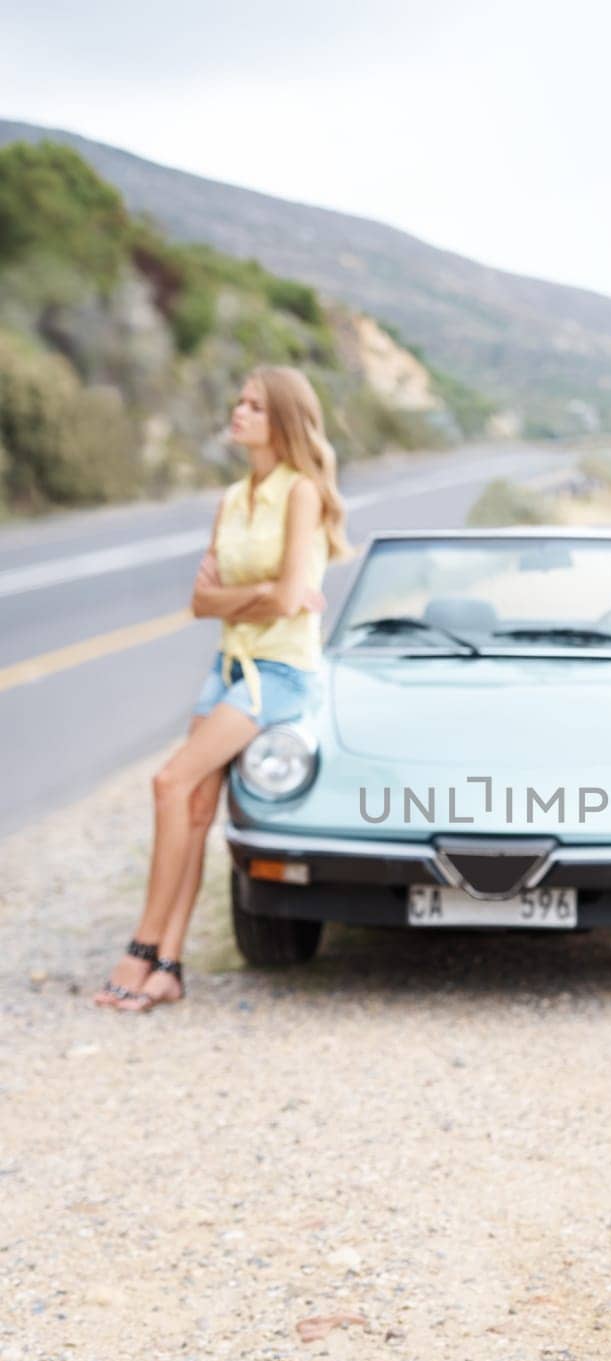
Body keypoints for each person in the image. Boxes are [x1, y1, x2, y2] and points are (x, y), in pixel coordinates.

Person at [93, 366, 353, 1012]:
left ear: (283, 420)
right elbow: (200, 602)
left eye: (254, 405)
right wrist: (260, 596)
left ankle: (142, 948)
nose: (237, 412)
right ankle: (171, 967)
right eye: (237, 400)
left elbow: (292, 599)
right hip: (229, 667)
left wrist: (258, 596)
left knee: (168, 783)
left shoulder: (302, 494)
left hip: (281, 675)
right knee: (196, 810)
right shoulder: (232, 499)